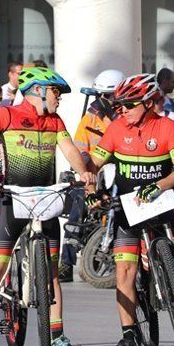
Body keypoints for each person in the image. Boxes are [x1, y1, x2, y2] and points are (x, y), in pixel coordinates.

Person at [0, 67, 92, 346]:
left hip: (45, 201)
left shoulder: (54, 121)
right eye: (55, 91)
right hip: (11, 199)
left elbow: (69, 149)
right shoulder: (5, 115)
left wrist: (84, 172)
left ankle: (57, 337)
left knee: (52, 275)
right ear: (38, 91)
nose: (58, 98)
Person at [87, 73, 174, 346]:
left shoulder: (167, 127)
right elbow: (93, 164)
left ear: (148, 102)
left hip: (160, 205)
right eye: (119, 105)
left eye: (129, 104)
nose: (122, 110)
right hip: (126, 211)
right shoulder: (115, 128)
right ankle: (129, 337)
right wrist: (89, 186)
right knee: (125, 272)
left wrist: (158, 186)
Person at [58, 68, 123, 281]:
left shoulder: (127, 117)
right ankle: (66, 263)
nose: (105, 100)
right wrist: (86, 175)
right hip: (95, 175)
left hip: (122, 174)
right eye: (101, 96)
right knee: (78, 206)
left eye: (109, 96)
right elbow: (80, 149)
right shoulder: (90, 118)